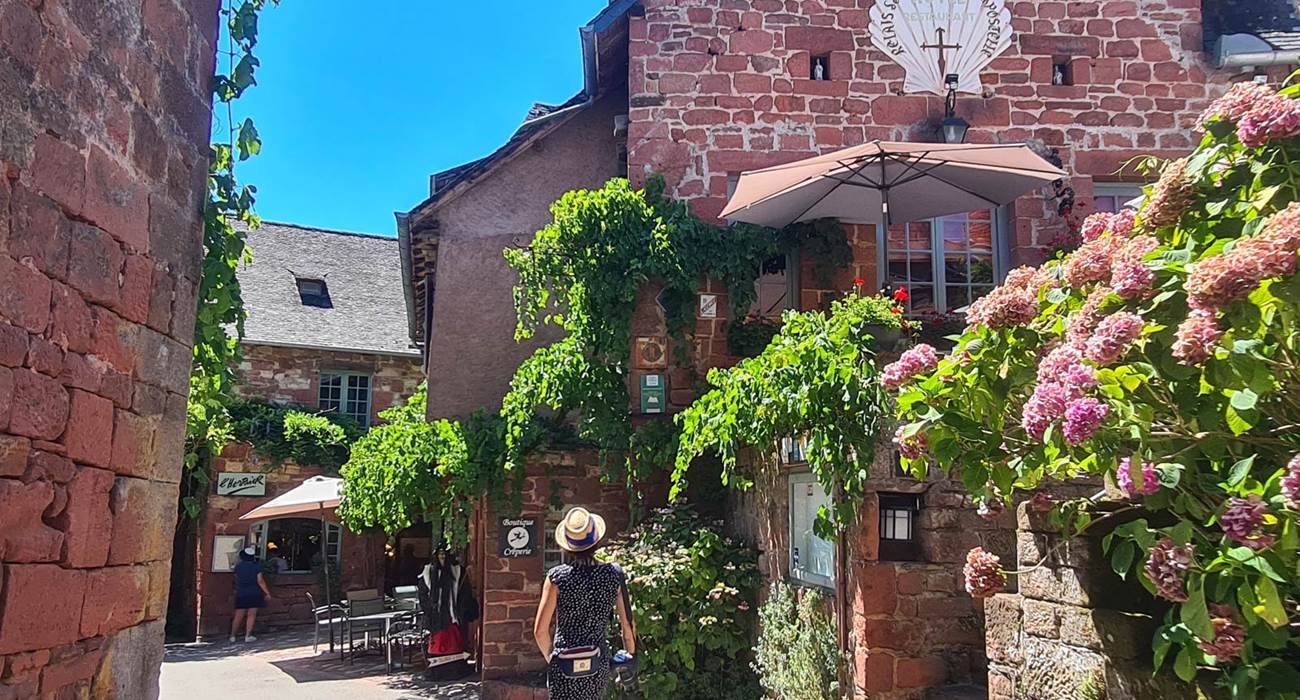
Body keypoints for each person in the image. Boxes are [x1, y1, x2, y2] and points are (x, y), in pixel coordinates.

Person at [533, 507, 637, 699]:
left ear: (566, 545)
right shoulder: (612, 575)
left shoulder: (557, 577)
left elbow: (540, 631)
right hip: (597, 661)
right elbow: (627, 626)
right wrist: (631, 656)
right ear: (596, 541)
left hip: (564, 663)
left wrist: (554, 659)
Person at [230, 546, 272, 643]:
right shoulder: (256, 567)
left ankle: (232, 635)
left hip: (241, 592)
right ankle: (248, 635)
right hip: (254, 592)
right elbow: (260, 581)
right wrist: (267, 593)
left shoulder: (238, 567)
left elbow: (236, 579)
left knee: (238, 615)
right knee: (251, 614)